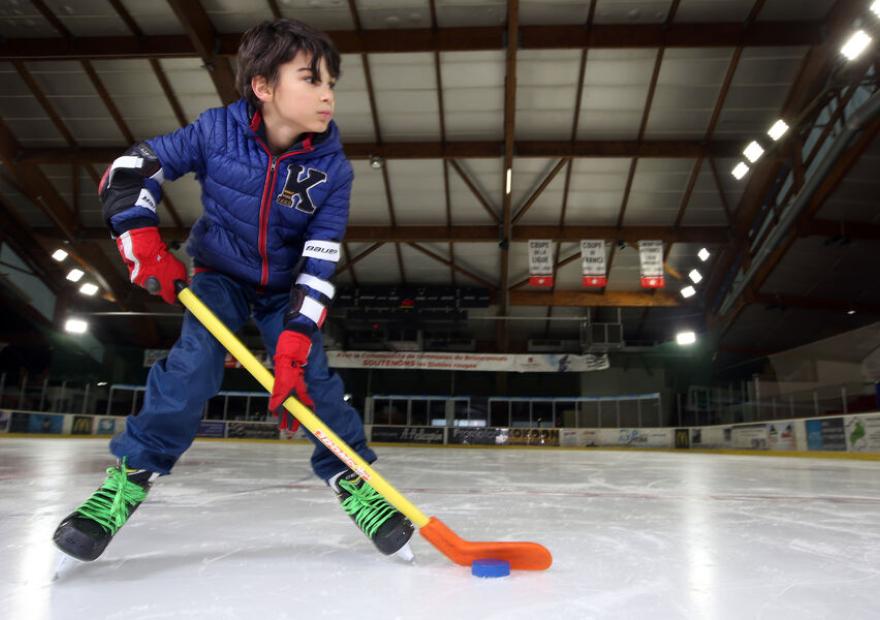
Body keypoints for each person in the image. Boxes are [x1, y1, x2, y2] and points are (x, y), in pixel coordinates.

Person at [53, 18, 414, 563]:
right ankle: (128, 480)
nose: (327, 94)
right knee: (194, 363)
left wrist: (294, 338)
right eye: (311, 79)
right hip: (219, 275)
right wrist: (145, 244)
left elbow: (320, 263)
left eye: (331, 83)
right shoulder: (215, 132)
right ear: (264, 87)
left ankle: (354, 480)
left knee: (312, 377)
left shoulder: (332, 170)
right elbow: (128, 171)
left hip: (286, 289)